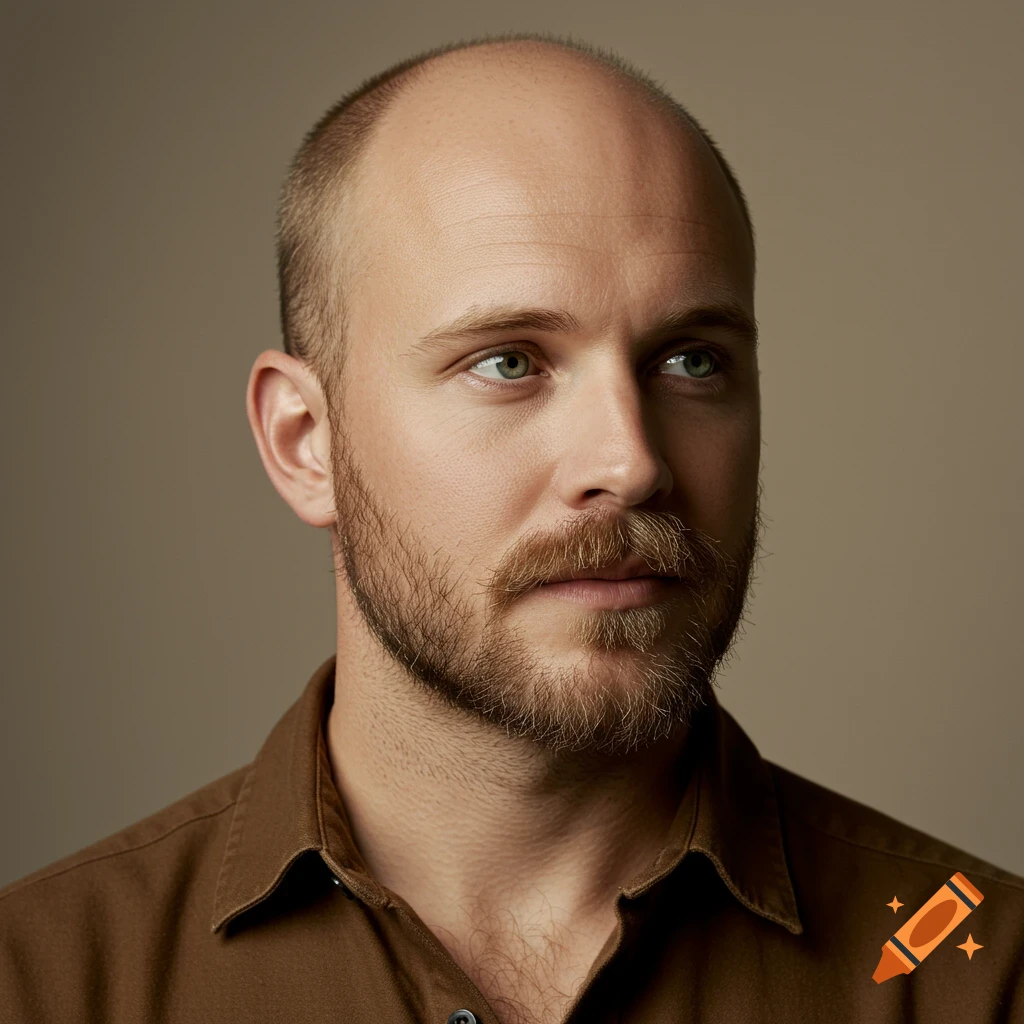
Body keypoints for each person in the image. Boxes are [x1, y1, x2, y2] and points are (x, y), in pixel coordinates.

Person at [1, 30, 1022, 1024]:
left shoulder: (983, 976)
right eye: (508, 362)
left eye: (691, 360)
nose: (629, 463)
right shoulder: (38, 985)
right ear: (306, 439)